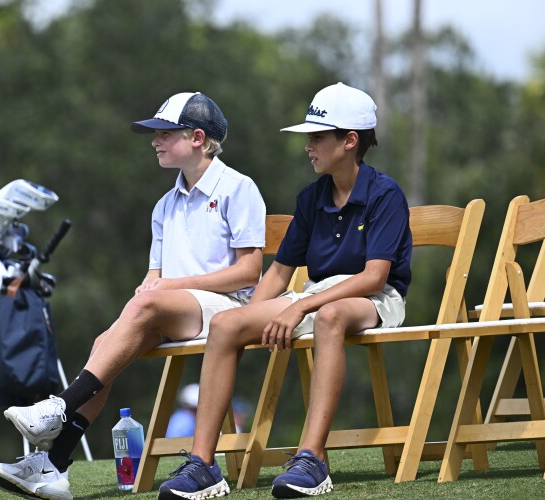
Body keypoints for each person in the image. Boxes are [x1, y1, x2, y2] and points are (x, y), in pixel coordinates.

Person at [0, 91, 267, 499]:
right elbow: (153, 277)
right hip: (174, 310)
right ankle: (53, 467)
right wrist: (149, 292)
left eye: (165, 133)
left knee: (142, 308)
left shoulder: (239, 188)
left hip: (230, 311)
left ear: (198, 138)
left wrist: (160, 289)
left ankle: (60, 408)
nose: (155, 140)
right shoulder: (163, 207)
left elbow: (249, 271)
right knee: (106, 344)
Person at [158, 82, 411, 499]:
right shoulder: (311, 197)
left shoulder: (385, 194)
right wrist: (246, 319)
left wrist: (299, 307)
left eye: (317, 137)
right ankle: (203, 466)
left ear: (350, 141)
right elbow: (279, 272)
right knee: (224, 324)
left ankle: (312, 459)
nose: (308, 146)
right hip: (316, 294)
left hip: (374, 300)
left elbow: (374, 278)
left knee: (331, 316)